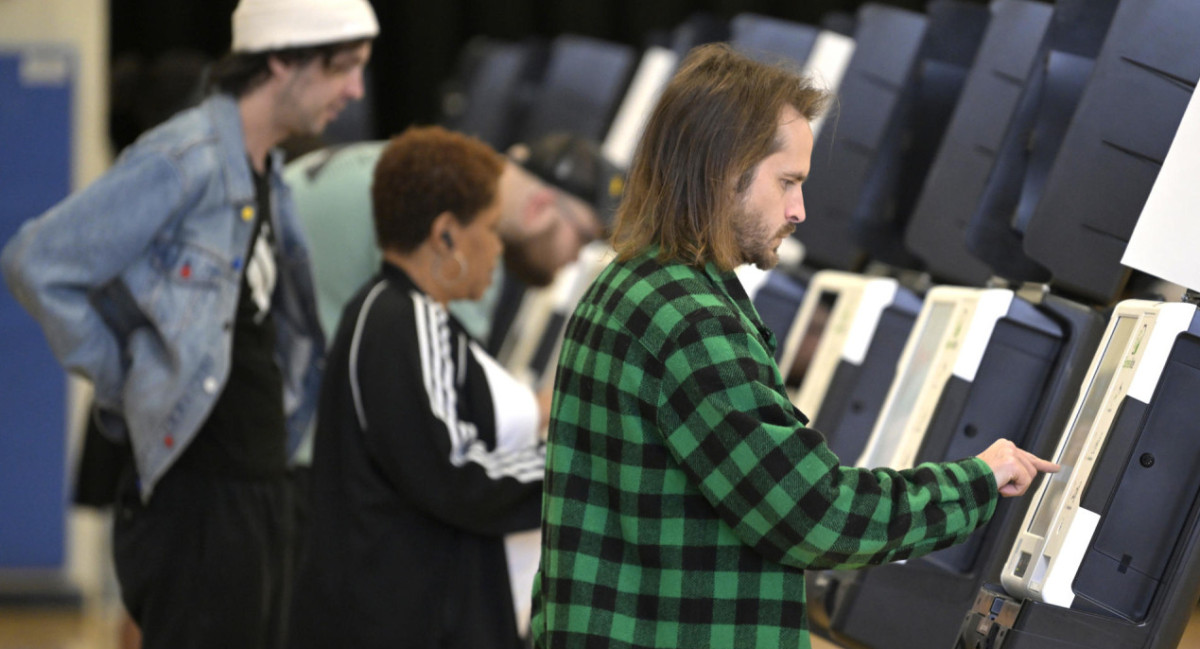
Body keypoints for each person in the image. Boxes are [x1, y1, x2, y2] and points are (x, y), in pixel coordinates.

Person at [531, 43, 1058, 649]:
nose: (799, 209)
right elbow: (813, 514)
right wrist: (979, 481)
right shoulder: (691, 319)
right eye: (788, 182)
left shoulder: (632, 280)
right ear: (722, 172)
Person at [0, 1, 377, 647]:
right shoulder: (187, 156)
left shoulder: (266, 167)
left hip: (260, 487)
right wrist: (126, 376)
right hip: (200, 502)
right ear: (282, 62)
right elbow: (38, 261)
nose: (356, 90)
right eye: (343, 69)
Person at [288, 126, 547, 649]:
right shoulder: (409, 317)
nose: (498, 250)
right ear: (446, 234)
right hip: (400, 619)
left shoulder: (382, 311)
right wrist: (576, 465)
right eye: (492, 229)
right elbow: (456, 471)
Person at [283, 132, 622, 342]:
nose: (576, 258)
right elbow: (446, 405)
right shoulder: (464, 232)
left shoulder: (419, 165)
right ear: (539, 207)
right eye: (584, 238)